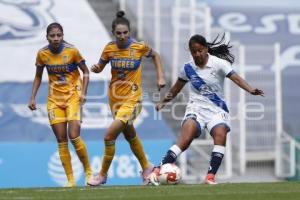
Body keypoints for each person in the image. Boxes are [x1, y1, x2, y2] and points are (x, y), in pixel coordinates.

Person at [149, 34, 264, 185]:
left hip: (217, 109)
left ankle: (210, 176)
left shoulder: (219, 64)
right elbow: (176, 88)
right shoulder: (188, 68)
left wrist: (250, 90)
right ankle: (158, 170)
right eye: (193, 52)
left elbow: (236, 78)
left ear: (206, 49)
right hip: (195, 109)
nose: (197, 54)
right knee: (185, 139)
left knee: (220, 134)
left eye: (200, 51)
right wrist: (163, 102)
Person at [87, 11, 166, 186]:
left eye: (125, 33)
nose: (122, 36)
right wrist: (97, 69)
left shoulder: (138, 47)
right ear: (113, 33)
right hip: (115, 99)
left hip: (134, 99)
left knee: (109, 136)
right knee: (129, 134)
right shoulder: (109, 48)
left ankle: (102, 175)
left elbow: (155, 55)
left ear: (129, 32)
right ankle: (147, 167)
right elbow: (101, 65)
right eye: (119, 33)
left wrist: (160, 77)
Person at [28, 22, 92, 187]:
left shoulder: (72, 51)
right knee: (61, 139)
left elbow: (85, 71)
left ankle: (89, 172)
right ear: (47, 37)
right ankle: (70, 180)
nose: (56, 38)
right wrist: (32, 98)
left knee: (74, 136)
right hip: (54, 100)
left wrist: (83, 92)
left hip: (73, 96)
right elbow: (38, 76)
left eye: (59, 35)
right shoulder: (42, 54)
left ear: (63, 36)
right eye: (52, 36)